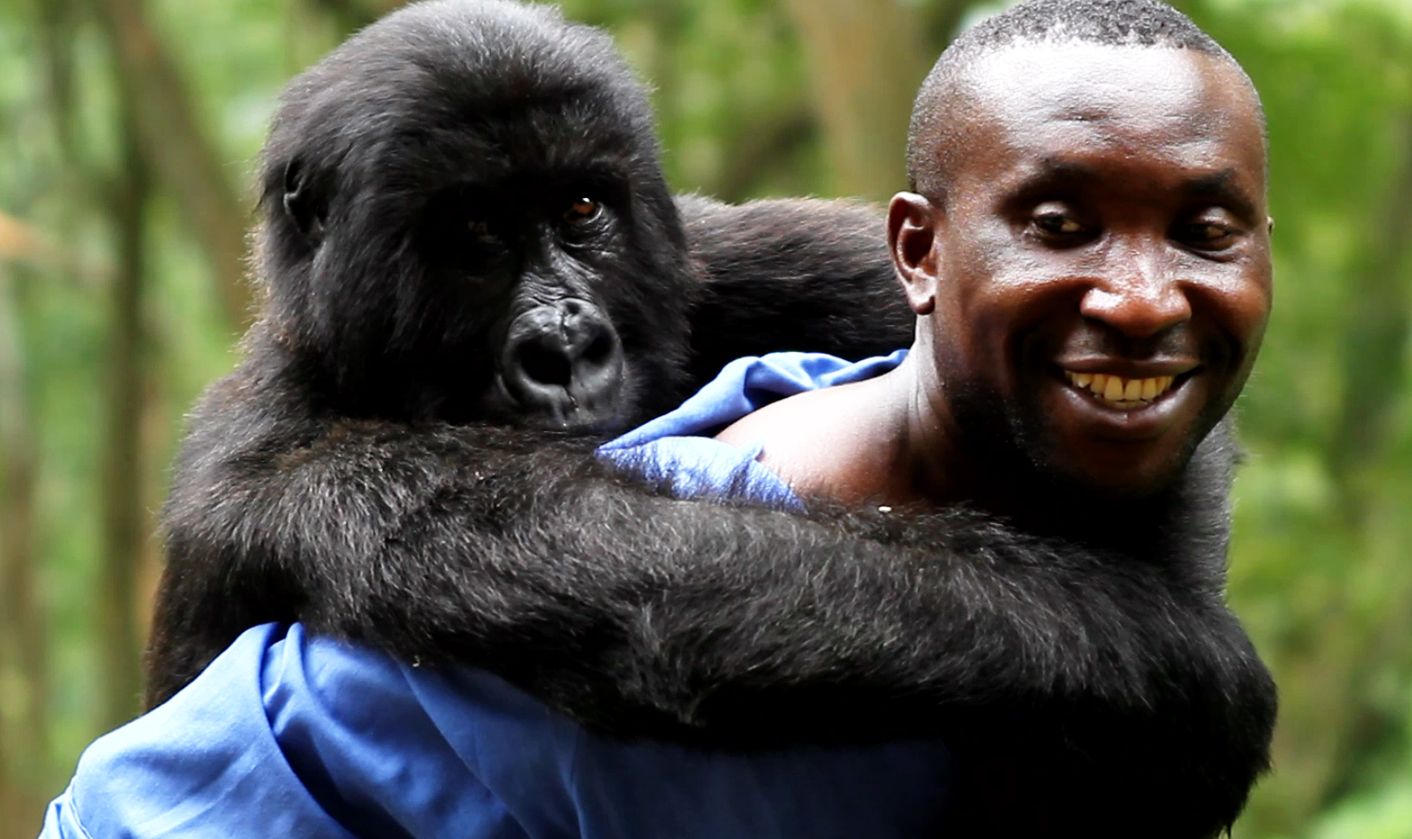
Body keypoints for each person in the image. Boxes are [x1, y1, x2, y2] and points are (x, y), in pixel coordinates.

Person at [41, 1, 1273, 836]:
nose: (561, 326)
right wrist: (1153, 655)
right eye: (471, 245)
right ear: (318, 241)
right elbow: (655, 614)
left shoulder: (730, 267)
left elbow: (1126, 378)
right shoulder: (290, 475)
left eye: (580, 217)